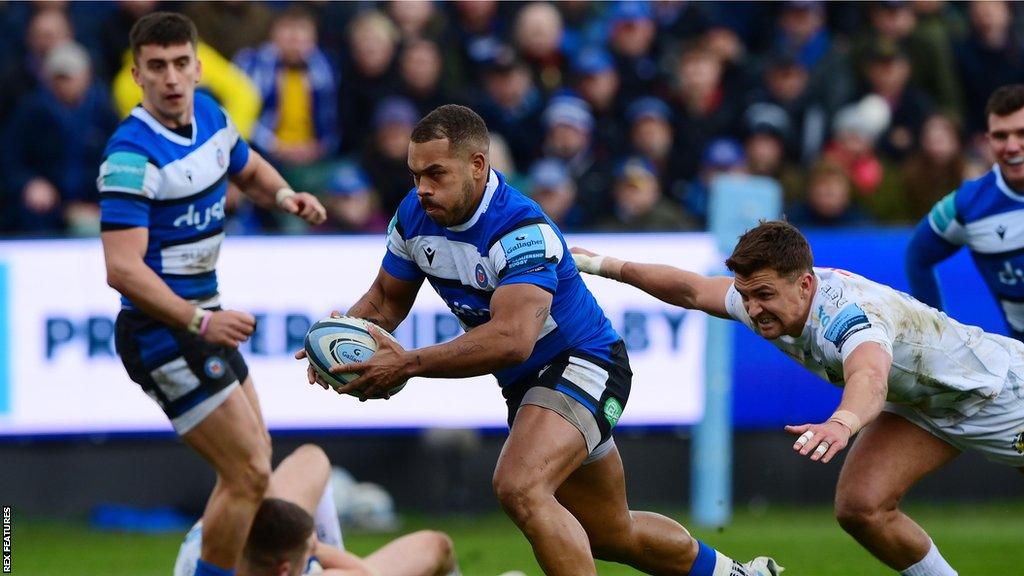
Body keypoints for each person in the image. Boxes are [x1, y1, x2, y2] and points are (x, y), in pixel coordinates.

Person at [296, 104, 781, 576]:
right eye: (415, 174)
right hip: (530, 386)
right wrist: (336, 342)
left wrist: (408, 363)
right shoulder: (413, 216)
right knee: (612, 534)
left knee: (519, 486)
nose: (422, 188)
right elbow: (385, 300)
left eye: (436, 174)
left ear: (478, 165)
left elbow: (512, 340)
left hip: (585, 363)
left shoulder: (521, 227)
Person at [572, 220, 1024, 576]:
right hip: (929, 405)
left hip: (1000, 394)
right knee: (861, 506)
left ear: (805, 284)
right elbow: (691, 289)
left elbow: (869, 374)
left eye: (764, 295)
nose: (753, 309)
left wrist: (842, 423)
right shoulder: (765, 299)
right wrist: (603, 265)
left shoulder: (847, 316)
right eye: (746, 296)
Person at [97, 13, 326, 576]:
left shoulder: (212, 117)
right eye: (157, 67)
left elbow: (245, 168)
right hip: (162, 334)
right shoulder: (130, 156)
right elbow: (122, 271)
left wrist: (285, 193)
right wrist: (199, 323)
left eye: (180, 64)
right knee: (248, 472)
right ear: (138, 75)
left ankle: (208, 562)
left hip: (201, 319)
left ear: (198, 68)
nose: (171, 78)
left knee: (255, 461)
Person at [173, 444, 461, 576]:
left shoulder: (204, 546)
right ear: (285, 570)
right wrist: (314, 548)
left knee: (312, 459)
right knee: (435, 546)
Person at [907, 84, 1024, 341]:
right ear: (987, 140)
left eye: (1021, 133)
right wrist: (938, 337)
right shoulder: (968, 204)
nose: (1012, 146)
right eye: (1001, 136)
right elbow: (917, 255)